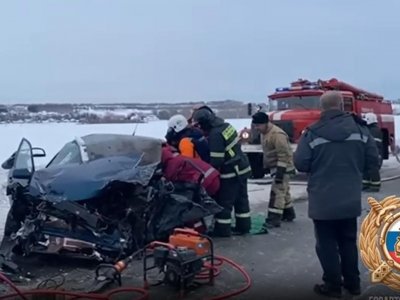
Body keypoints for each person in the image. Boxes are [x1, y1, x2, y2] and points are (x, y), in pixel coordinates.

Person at [293, 91, 380, 298]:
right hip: (349, 199)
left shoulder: (312, 133)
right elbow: (373, 161)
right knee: (348, 241)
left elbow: (301, 163)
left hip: (322, 200)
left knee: (326, 244)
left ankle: (332, 285)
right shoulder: (360, 130)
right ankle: (353, 283)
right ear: (342, 106)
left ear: (322, 108)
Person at [191, 107, 251, 237]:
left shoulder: (215, 135)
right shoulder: (226, 126)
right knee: (242, 200)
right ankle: (244, 226)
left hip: (230, 172)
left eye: (200, 125)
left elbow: (216, 160)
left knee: (225, 202)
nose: (200, 128)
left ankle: (223, 230)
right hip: (242, 167)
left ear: (205, 122)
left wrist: (205, 171)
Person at [251, 112, 296, 230]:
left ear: (266, 123)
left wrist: (280, 173)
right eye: (255, 126)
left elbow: (284, 155)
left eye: (258, 126)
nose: (256, 128)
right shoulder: (264, 133)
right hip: (274, 166)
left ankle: (274, 219)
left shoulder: (277, 135)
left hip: (283, 166)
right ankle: (289, 213)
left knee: (277, 192)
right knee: (284, 191)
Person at [362, 112, 383, 192]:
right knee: (366, 168)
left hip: (374, 152)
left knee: (373, 168)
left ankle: (375, 186)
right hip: (370, 152)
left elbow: (373, 142)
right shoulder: (371, 129)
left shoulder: (374, 130)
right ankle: (365, 184)